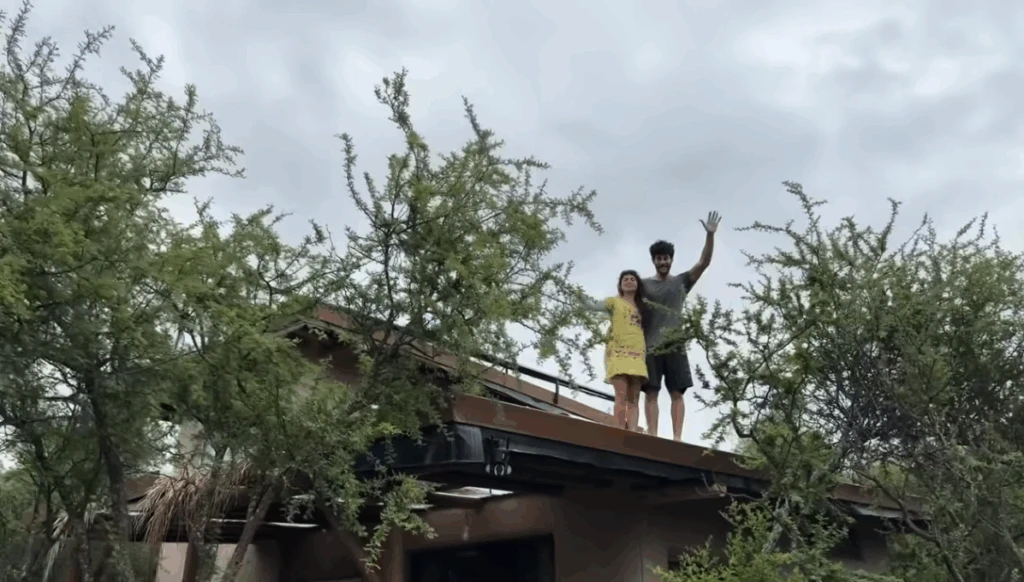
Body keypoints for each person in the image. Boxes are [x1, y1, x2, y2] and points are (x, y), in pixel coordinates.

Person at [642, 211, 721, 441]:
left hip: (675, 345)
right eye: (659, 258)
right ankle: (652, 436)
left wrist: (710, 235)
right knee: (651, 392)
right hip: (650, 346)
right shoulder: (644, 285)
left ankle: (677, 439)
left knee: (677, 393)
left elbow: (704, 263)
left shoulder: (680, 282)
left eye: (666, 258)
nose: (663, 262)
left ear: (671, 259)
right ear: (654, 261)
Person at [585, 270, 649, 430]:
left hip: (637, 355)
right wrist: (576, 295)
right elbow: (592, 305)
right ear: (620, 285)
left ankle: (633, 433)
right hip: (618, 353)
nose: (629, 281)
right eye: (625, 279)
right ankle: (619, 431)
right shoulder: (614, 302)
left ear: (637, 284)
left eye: (632, 279)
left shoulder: (643, 307)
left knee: (634, 398)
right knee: (621, 395)